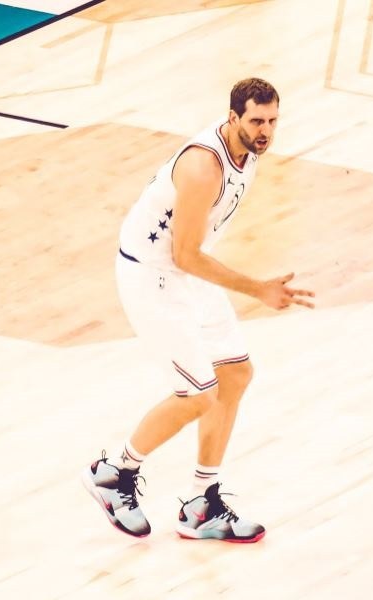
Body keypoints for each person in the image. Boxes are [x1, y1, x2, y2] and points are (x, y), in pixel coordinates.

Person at [81, 77, 314, 542]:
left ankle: (201, 505)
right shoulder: (203, 167)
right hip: (153, 275)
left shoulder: (248, 153)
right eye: (256, 121)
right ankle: (112, 473)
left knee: (235, 375)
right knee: (197, 394)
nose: (266, 131)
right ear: (233, 118)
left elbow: (192, 255)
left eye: (272, 121)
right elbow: (184, 254)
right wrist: (258, 289)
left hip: (188, 272)